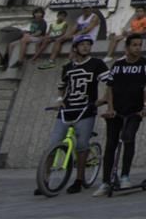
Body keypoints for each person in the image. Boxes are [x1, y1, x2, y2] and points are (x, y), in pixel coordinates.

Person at [46, 34, 108, 194]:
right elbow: (62, 86)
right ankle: (44, 180)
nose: (86, 47)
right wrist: (60, 99)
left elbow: (110, 82)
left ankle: (79, 180)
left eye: (88, 44)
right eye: (82, 44)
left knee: (81, 145)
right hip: (66, 110)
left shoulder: (97, 64)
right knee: (53, 143)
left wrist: (104, 99)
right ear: (75, 47)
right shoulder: (68, 67)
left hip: (86, 110)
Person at [95, 33, 146, 196]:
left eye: (139, 45)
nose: (137, 48)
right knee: (111, 145)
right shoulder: (117, 65)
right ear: (127, 47)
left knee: (128, 137)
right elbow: (110, 87)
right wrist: (110, 108)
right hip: (117, 111)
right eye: (134, 45)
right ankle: (106, 181)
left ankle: (125, 176)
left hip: (135, 111)